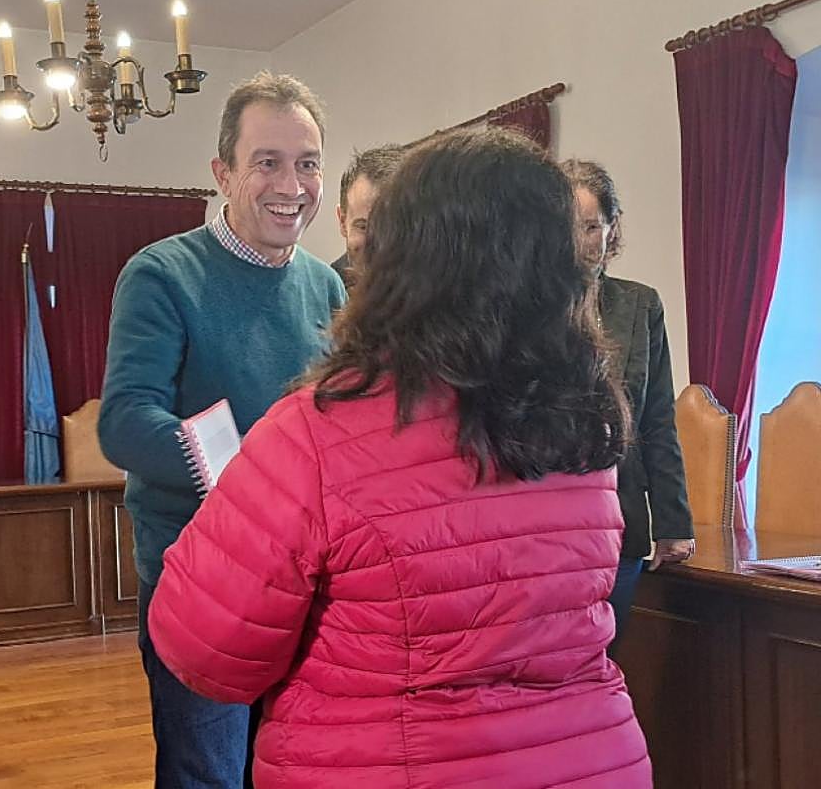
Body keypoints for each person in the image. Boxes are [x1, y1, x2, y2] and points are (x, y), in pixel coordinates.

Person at [147, 128, 653, 788]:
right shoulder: (586, 425)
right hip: (589, 762)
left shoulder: (315, 431)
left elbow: (206, 648)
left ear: (394, 258)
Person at [98, 72, 346, 788]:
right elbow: (125, 423)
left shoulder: (326, 287)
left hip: (306, 581)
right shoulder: (162, 274)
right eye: (267, 161)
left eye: (307, 164)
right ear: (223, 174)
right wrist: (256, 474)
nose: (291, 184)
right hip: (201, 580)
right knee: (205, 773)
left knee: (287, 767)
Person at [563, 158, 696, 650]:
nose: (581, 241)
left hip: (621, 524)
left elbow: (659, 418)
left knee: (607, 662)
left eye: (592, 226)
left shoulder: (639, 305)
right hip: (550, 527)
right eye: (567, 227)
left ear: (611, 229)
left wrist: (674, 522)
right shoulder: (523, 307)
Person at [330, 143, 406, 286]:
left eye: (391, 227)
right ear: (342, 221)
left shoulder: (440, 288)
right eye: (363, 227)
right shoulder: (325, 293)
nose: (378, 243)